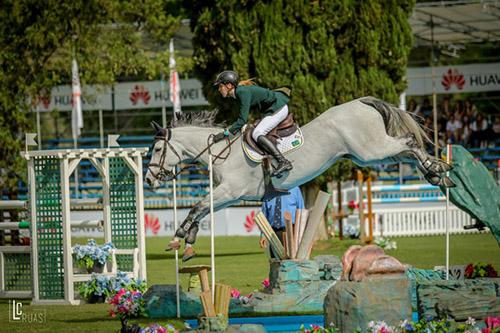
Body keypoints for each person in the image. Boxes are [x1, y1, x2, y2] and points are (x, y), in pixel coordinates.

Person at [212, 70, 293, 177]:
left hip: (279, 108)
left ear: (229, 85)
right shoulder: (238, 93)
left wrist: (225, 133)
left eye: (220, 86)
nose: (219, 89)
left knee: (257, 133)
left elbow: (242, 120)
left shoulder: (242, 92)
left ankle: (283, 161)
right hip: (273, 109)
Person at [259, 186, 304, 258]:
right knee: (276, 263)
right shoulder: (268, 191)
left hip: (291, 232)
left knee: (290, 263)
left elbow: (302, 212)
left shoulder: (295, 189)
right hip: (273, 233)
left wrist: (301, 234)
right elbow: (265, 214)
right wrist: (263, 235)